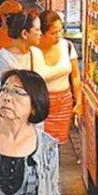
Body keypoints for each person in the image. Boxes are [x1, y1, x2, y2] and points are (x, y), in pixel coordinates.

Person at [31, 10, 81, 143]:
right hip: (41, 104)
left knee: (58, 143)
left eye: (60, 30)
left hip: (64, 103)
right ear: (42, 32)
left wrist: (79, 102)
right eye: (53, 33)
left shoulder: (67, 46)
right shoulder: (32, 50)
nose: (58, 36)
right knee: (39, 143)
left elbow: (75, 76)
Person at [0, 10, 40, 112]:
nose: (40, 33)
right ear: (25, 33)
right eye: (37, 30)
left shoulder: (36, 53)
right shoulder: (1, 59)